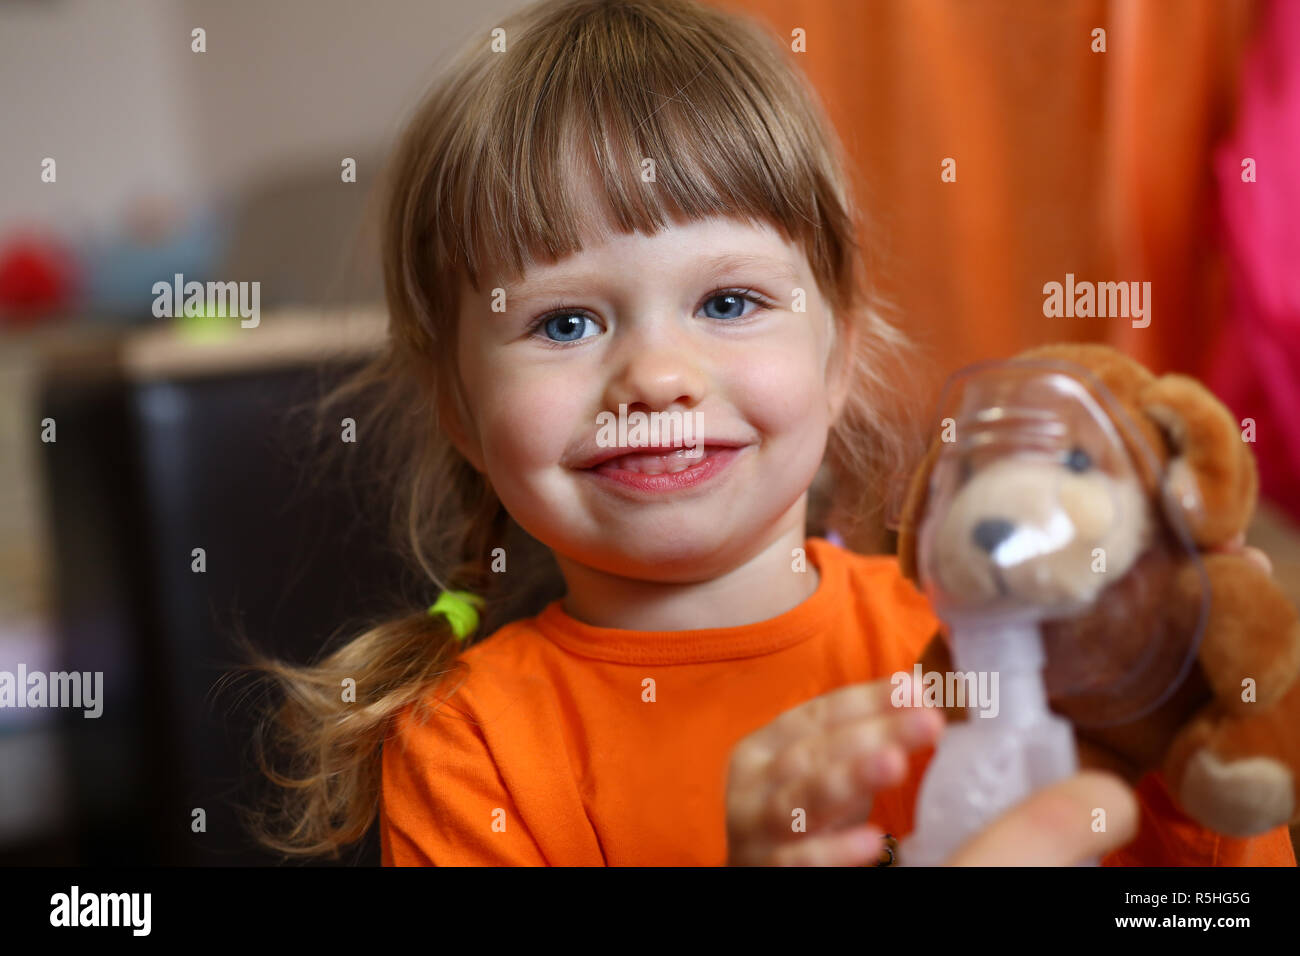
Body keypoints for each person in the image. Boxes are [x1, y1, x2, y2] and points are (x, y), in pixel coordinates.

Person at [243, 0, 1296, 867]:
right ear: (458, 412)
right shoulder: (466, 748)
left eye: (729, 301)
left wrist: (1174, 697)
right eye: (564, 321)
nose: (656, 374)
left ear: (840, 359)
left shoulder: (989, 637)